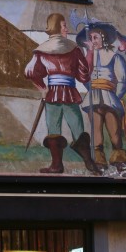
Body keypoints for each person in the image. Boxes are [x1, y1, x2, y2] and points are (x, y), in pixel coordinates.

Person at [24, 13, 97, 174]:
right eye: (64, 25)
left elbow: (31, 72)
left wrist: (42, 88)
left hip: (53, 94)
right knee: (76, 128)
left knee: (54, 130)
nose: (66, 28)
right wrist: (90, 54)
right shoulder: (73, 49)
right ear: (57, 27)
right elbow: (84, 74)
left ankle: (58, 165)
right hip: (69, 92)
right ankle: (88, 162)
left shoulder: (42, 50)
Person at [78, 22, 126, 174]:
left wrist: (116, 96)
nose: (93, 40)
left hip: (110, 96)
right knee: (96, 131)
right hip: (93, 96)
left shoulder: (114, 56)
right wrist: (90, 88)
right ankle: (99, 162)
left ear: (103, 38)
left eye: (95, 37)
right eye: (90, 38)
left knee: (114, 131)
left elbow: (123, 79)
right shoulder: (87, 57)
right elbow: (84, 77)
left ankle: (121, 162)